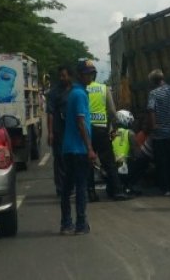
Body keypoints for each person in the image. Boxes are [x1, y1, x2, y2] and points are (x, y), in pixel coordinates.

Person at [59, 59, 97, 235]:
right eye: (88, 73)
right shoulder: (80, 94)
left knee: (67, 188)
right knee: (81, 187)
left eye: (92, 73)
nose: (91, 76)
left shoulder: (74, 93)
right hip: (79, 149)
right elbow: (81, 122)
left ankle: (66, 223)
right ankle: (81, 224)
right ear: (80, 75)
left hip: (69, 148)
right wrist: (89, 148)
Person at [87, 68, 129, 201]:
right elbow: (111, 110)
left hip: (87, 129)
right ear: (95, 75)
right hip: (101, 129)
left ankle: (91, 193)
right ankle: (117, 191)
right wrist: (113, 126)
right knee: (108, 161)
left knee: (88, 162)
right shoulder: (103, 88)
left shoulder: (82, 89)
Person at [147, 69, 170, 196]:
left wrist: (154, 126)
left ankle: (166, 188)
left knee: (163, 162)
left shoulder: (153, 94)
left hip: (160, 134)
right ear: (163, 78)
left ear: (153, 82)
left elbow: (151, 110)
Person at [46, 65, 72, 196]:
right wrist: (50, 132)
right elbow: (50, 113)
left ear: (70, 76)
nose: (62, 78)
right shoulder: (54, 92)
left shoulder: (75, 90)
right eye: (60, 75)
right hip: (59, 131)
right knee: (60, 159)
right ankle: (61, 188)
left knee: (72, 159)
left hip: (73, 130)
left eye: (64, 75)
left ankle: (72, 186)